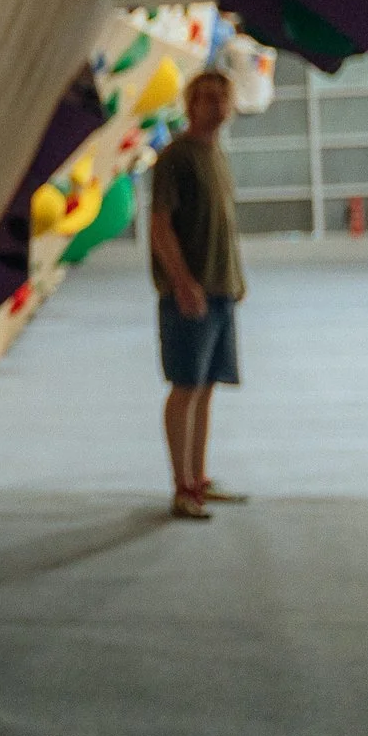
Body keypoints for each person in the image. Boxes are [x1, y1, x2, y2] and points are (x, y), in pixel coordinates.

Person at [147, 69, 248, 521]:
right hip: (191, 293)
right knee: (185, 386)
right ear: (190, 105)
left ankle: (199, 478)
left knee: (206, 388)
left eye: (222, 98)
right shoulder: (176, 157)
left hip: (221, 290)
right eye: (207, 98)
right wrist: (183, 282)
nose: (217, 106)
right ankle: (181, 486)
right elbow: (160, 226)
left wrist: (235, 280)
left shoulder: (216, 154)